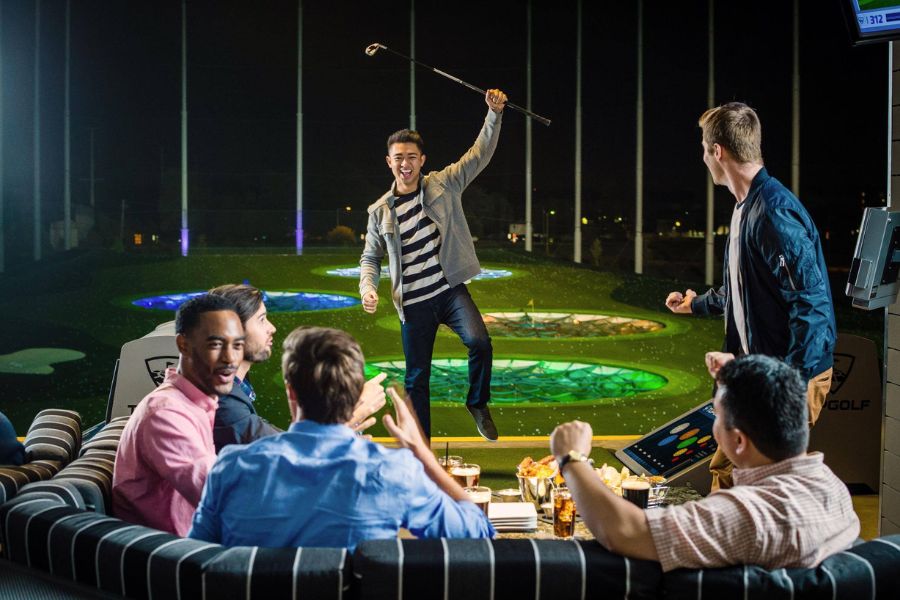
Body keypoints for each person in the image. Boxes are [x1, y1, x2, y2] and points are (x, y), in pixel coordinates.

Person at [188, 326, 494, 551]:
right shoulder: (393, 471)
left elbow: (197, 561)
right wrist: (422, 455)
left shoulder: (231, 468)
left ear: (290, 391)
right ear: (355, 393)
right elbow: (480, 533)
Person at [550, 354, 859, 572]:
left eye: (717, 416)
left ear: (739, 441)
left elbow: (624, 531)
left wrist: (572, 458)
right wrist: (738, 377)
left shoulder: (746, 516)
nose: (714, 425)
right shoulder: (833, 490)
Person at [664, 102, 836, 489]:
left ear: (717, 151)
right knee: (728, 474)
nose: (702, 157)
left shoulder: (773, 213)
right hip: (761, 371)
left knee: (749, 482)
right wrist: (698, 303)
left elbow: (812, 307)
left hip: (789, 375)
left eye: (703, 149)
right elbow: (745, 288)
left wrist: (785, 385)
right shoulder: (747, 207)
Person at [358, 89, 509, 441]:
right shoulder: (379, 212)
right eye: (399, 157)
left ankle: (477, 403)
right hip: (413, 303)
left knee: (480, 342)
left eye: (412, 157)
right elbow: (370, 257)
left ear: (422, 160)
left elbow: (479, 154)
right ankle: (421, 450)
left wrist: (494, 115)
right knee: (416, 379)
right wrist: (367, 287)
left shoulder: (444, 184)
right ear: (389, 162)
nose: (405, 163)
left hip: (449, 291)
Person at [112, 294, 245, 536]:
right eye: (216, 344)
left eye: (237, 345)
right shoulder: (165, 413)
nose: (230, 358)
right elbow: (223, 496)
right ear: (183, 344)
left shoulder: (194, 402)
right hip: (173, 551)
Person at [208, 284, 387, 452]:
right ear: (232, 331)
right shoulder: (222, 400)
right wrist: (349, 415)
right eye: (261, 320)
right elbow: (284, 452)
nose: (272, 328)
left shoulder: (235, 386)